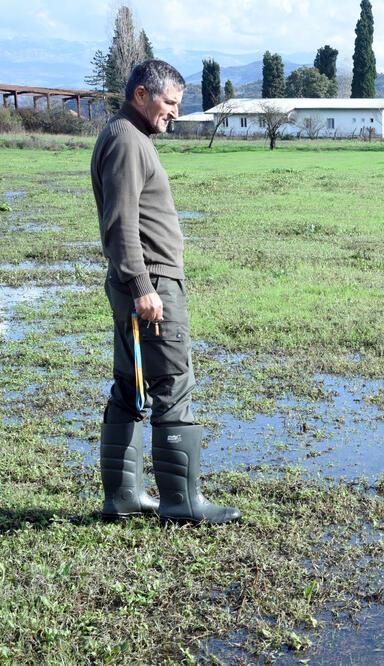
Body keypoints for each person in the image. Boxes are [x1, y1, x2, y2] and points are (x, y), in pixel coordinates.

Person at [91, 59, 239, 525]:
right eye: (170, 102)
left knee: (130, 386)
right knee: (173, 384)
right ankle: (182, 502)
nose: (175, 112)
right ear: (141, 95)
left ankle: (126, 496)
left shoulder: (127, 137)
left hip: (140, 283)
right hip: (150, 286)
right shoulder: (127, 141)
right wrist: (143, 287)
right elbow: (120, 224)